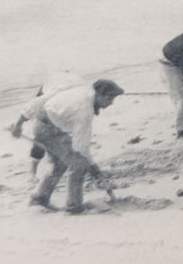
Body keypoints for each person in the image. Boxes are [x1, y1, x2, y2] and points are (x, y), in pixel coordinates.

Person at [10, 78, 124, 214]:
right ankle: (74, 207)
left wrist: (20, 122)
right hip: (46, 127)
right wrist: (95, 169)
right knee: (79, 164)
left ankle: (39, 199)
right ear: (100, 95)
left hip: (52, 125)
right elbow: (81, 148)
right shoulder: (84, 110)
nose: (111, 103)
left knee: (60, 164)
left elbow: (40, 101)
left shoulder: (83, 90)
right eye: (110, 99)